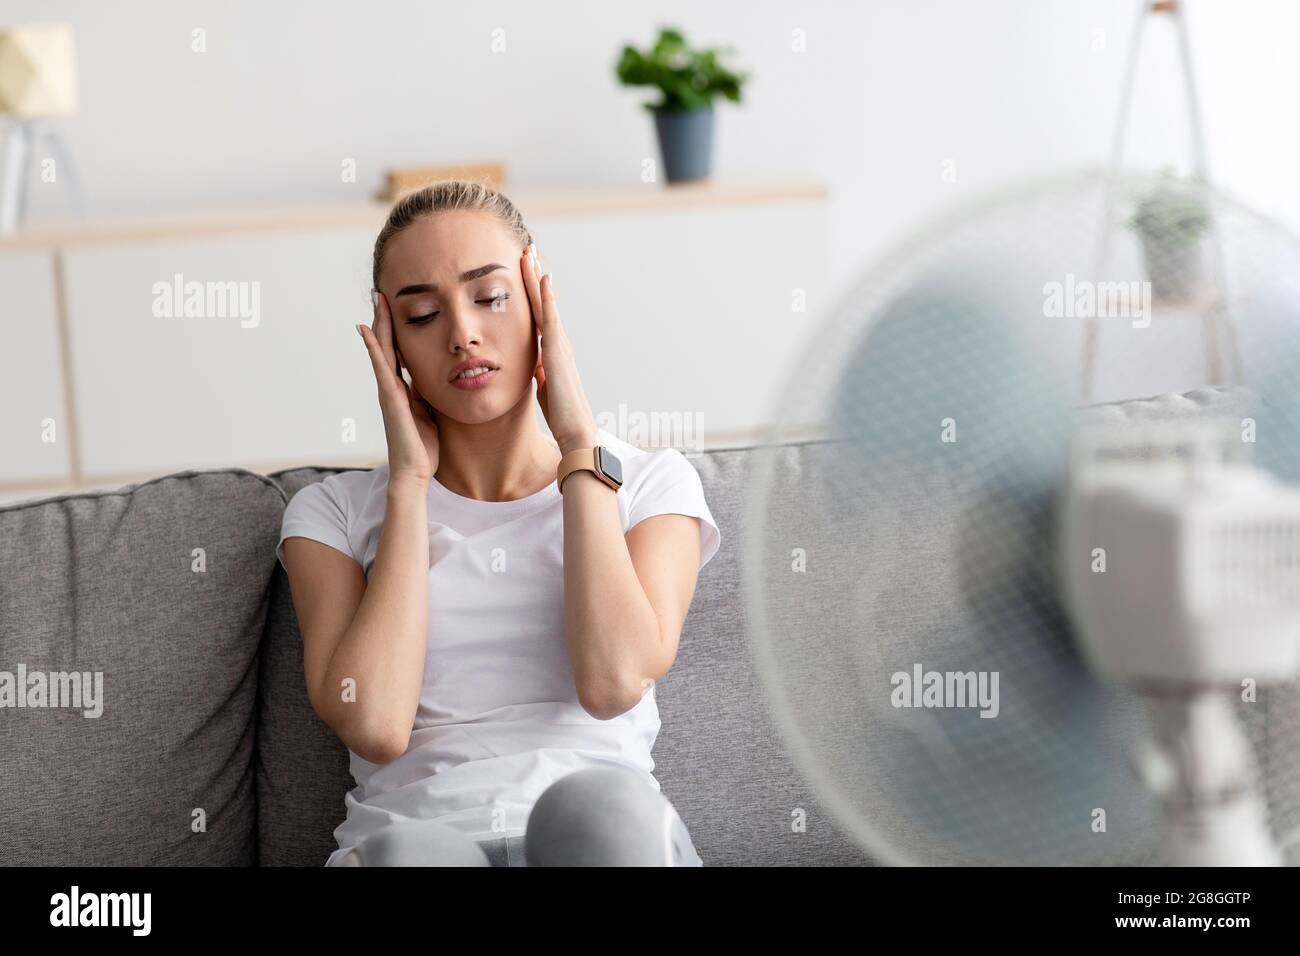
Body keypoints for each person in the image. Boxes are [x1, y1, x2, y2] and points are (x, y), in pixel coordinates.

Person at [276, 180, 720, 866]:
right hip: (420, 843)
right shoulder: (331, 514)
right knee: (411, 855)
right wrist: (408, 485)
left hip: (598, 839)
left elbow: (614, 682)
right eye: (423, 315)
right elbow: (375, 723)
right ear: (390, 343)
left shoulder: (652, 484)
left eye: (490, 298)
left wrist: (578, 443)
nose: (463, 334)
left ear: (540, 300)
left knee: (599, 808)